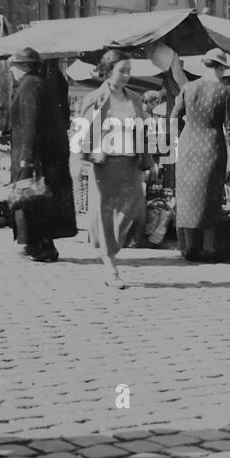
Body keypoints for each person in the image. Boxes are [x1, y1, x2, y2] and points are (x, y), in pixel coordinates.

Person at [78, 49, 153, 288]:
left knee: (135, 205)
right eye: (122, 71)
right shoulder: (95, 98)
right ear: (108, 71)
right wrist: (83, 159)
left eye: (129, 71)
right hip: (106, 163)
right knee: (106, 211)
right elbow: (83, 132)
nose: (127, 75)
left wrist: (149, 162)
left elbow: (142, 131)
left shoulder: (134, 98)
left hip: (130, 161)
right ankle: (110, 263)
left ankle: (106, 246)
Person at [7, 47, 76, 262]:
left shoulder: (29, 86)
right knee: (40, 201)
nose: (12, 70)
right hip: (48, 156)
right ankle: (37, 244)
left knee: (33, 200)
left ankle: (42, 247)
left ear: (26, 66)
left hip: (36, 158)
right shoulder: (40, 84)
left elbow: (29, 124)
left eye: (15, 66)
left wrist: (26, 157)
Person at [172, 48, 230, 262]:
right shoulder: (225, 91)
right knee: (211, 197)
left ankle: (191, 248)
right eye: (223, 69)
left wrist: (177, 141)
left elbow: (174, 116)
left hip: (188, 146)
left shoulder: (188, 87)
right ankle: (208, 250)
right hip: (212, 147)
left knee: (188, 197)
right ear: (219, 67)